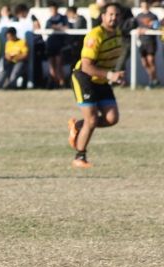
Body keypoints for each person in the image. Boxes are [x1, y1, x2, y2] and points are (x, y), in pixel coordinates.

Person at [67, 2, 123, 169]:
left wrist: (116, 75)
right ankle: (80, 157)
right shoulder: (95, 35)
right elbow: (86, 66)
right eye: (110, 14)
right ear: (103, 16)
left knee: (112, 118)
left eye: (117, 15)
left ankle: (78, 126)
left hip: (101, 79)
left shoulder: (118, 33)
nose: (114, 18)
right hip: (84, 78)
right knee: (91, 120)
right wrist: (110, 75)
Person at [135, 1, 159, 89]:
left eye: (146, 4)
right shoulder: (138, 16)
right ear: (141, 5)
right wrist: (138, 30)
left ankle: (152, 80)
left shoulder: (153, 16)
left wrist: (150, 26)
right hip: (141, 42)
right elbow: (135, 26)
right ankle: (154, 79)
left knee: (151, 61)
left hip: (151, 42)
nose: (144, 6)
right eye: (143, 4)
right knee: (144, 63)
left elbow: (157, 26)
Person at [45, 2, 68, 89]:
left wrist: (55, 27)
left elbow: (66, 27)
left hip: (60, 44)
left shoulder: (63, 18)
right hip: (50, 44)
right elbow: (47, 28)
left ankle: (61, 83)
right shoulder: (49, 20)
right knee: (52, 66)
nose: (52, 11)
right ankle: (54, 83)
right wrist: (58, 27)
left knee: (59, 65)